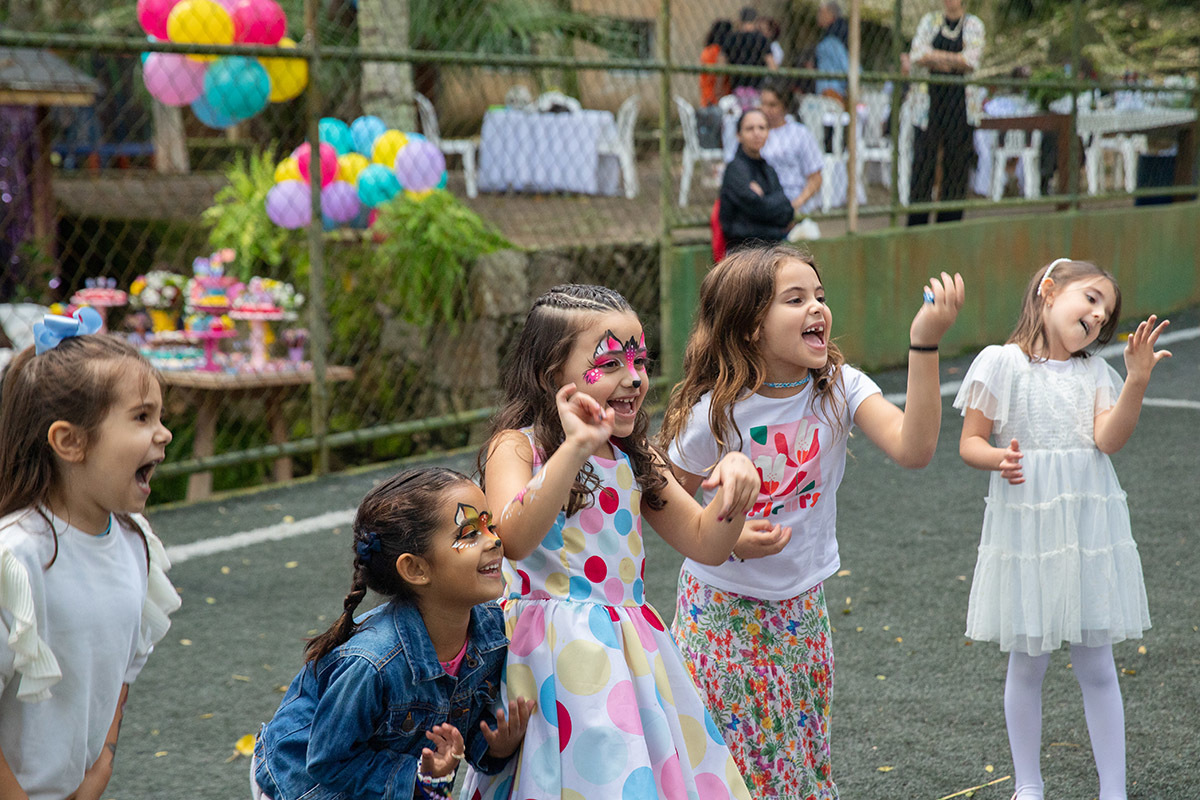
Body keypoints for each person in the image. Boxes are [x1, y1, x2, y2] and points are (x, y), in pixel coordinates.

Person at [659, 244, 964, 799]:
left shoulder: (839, 389)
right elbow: (661, 501)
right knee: (729, 758)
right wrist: (723, 534)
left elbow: (914, 448)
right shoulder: (716, 411)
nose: (817, 308)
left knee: (800, 754)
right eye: (795, 299)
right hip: (721, 611)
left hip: (801, 607)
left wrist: (926, 341)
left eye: (819, 296)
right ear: (752, 326)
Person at [460, 283, 761, 799]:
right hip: (547, 659)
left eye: (640, 360)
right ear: (552, 372)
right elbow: (512, 537)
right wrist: (575, 447)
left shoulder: (634, 456)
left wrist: (736, 485)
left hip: (628, 655)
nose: (634, 378)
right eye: (612, 362)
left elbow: (707, 542)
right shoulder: (516, 447)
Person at [954, 258, 1169, 800]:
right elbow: (969, 442)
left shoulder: (1095, 373)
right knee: (1028, 662)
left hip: (1086, 527)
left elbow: (1108, 440)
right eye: (1091, 299)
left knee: (1096, 662)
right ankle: (1028, 784)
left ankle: (1112, 789)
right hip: (1027, 530)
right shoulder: (1000, 363)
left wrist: (1136, 381)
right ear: (1049, 291)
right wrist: (997, 457)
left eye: (1106, 315)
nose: (1098, 317)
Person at [252, 467, 533, 800]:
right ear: (415, 569)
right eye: (470, 533)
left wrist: (493, 745)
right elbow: (327, 762)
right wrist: (415, 777)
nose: (495, 539)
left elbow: (461, 715)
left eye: (491, 525)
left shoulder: (489, 630)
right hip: (302, 783)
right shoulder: (372, 662)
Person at [0, 307, 180, 800]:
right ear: (69, 442)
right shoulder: (14, 558)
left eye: (160, 416)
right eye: (142, 417)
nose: (163, 433)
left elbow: (125, 665)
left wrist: (102, 758)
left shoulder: (134, 541)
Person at [907, 0, 985, 226]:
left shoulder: (973, 25)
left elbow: (971, 60)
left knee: (957, 164)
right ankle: (917, 223)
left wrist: (934, 58)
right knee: (923, 162)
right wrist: (954, 61)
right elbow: (916, 54)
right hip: (928, 104)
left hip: (960, 105)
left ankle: (950, 223)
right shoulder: (930, 22)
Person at [719, 109, 795, 253]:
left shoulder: (768, 169)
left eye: (762, 128)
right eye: (749, 128)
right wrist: (773, 211)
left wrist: (764, 201)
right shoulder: (735, 170)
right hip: (742, 252)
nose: (756, 133)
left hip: (771, 249)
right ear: (738, 135)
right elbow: (754, 207)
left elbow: (787, 211)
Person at [758, 83, 825, 216]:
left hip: (794, 201)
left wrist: (795, 205)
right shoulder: (754, 132)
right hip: (761, 202)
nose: (766, 110)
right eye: (763, 104)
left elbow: (816, 178)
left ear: (785, 106)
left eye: (772, 105)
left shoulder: (800, 133)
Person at [724, 6, 777, 104]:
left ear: (740, 20)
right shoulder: (762, 39)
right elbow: (772, 66)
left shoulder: (732, 38)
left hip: (736, 88)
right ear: (755, 20)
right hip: (757, 89)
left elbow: (721, 64)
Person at [813, 2, 850, 104]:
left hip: (832, 92)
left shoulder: (833, 40)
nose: (818, 16)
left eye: (821, 12)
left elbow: (847, 65)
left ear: (830, 14)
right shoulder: (828, 37)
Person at [700, 19, 733, 108]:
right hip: (717, 94)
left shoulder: (707, 50)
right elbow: (719, 74)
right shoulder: (719, 51)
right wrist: (719, 91)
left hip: (706, 92)